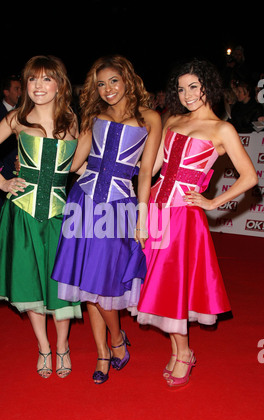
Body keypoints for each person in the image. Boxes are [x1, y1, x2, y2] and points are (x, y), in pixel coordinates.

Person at [131, 59, 258, 388]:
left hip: (183, 217)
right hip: (157, 210)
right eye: (181, 88)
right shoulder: (172, 119)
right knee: (155, 284)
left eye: (194, 87)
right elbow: (154, 165)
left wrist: (213, 202)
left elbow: (249, 176)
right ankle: (177, 350)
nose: (186, 94)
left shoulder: (222, 129)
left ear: (209, 88)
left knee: (170, 285)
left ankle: (184, 352)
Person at [52, 55, 162, 384]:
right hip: (82, 202)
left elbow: (146, 171)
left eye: (113, 80)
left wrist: (142, 214)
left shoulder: (150, 117)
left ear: (128, 78)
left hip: (118, 207)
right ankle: (104, 351)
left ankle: (116, 338)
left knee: (105, 284)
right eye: (100, 84)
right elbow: (74, 165)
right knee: (88, 284)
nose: (107, 89)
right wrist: (49, 144)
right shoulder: (93, 115)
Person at [0, 55, 82, 378]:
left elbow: (74, 167)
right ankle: (44, 347)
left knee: (59, 283)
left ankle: (62, 346)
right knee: (29, 282)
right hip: (22, 212)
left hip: (60, 215)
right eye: (32, 79)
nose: (38, 86)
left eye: (46, 79)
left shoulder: (72, 121)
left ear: (59, 84)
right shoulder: (17, 120)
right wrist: (2, 181)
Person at [0, 75, 22, 236]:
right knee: (2, 207)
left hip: (20, 170)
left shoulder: (24, 113)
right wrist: (0, 171)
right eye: (16, 88)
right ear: (6, 92)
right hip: (2, 167)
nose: (20, 92)